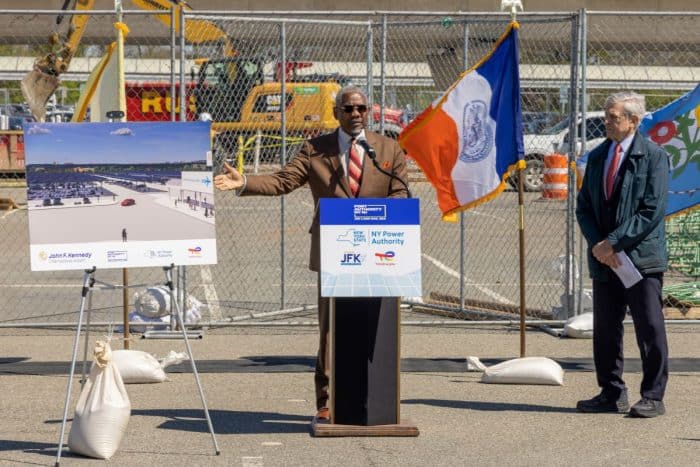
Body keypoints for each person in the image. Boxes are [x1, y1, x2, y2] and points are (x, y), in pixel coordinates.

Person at [214, 85, 409, 421]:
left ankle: (376, 398)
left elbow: (401, 193)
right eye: (348, 109)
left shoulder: (388, 148)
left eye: (361, 108)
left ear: (369, 111)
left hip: (380, 250)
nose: (355, 114)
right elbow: (283, 181)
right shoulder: (316, 149)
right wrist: (244, 182)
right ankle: (326, 401)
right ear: (336, 113)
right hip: (335, 252)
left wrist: (374, 216)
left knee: (376, 325)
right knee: (331, 329)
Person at [575, 91, 670, 418]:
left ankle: (653, 396)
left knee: (649, 328)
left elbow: (651, 211)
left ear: (634, 121)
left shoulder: (654, 156)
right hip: (605, 260)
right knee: (606, 329)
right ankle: (611, 392)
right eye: (606, 115)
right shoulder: (599, 155)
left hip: (640, 259)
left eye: (613, 117)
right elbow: (584, 206)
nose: (607, 122)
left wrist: (613, 242)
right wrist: (599, 245)